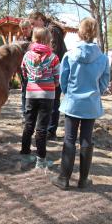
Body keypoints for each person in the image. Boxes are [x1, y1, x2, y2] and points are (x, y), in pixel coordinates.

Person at [51, 17, 110, 189]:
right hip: (91, 104)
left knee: (69, 139)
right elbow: (105, 80)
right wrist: (96, 92)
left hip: (73, 103)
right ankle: (83, 180)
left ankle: (63, 179)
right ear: (95, 33)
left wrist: (70, 94)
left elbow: (63, 79)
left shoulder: (70, 55)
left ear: (80, 32)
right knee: (86, 139)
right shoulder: (103, 58)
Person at [20, 27, 60, 169]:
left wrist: (31, 80)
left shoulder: (27, 55)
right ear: (48, 40)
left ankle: (25, 156)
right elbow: (57, 77)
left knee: (28, 124)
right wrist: (53, 84)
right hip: (47, 96)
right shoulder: (53, 57)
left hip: (31, 93)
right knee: (42, 128)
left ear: (34, 39)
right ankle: (40, 160)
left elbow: (24, 73)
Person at [29, 12, 67, 141]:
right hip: (50, 72)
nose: (33, 27)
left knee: (53, 103)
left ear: (40, 19)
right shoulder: (49, 29)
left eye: (34, 24)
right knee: (48, 104)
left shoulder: (52, 31)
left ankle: (50, 131)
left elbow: (53, 52)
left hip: (53, 73)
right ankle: (46, 130)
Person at [17, 20, 33, 119]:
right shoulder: (21, 39)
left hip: (34, 69)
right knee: (24, 92)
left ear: (30, 27)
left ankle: (32, 114)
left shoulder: (35, 38)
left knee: (32, 92)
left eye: (26, 28)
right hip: (23, 69)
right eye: (22, 28)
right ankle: (25, 113)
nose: (24, 30)